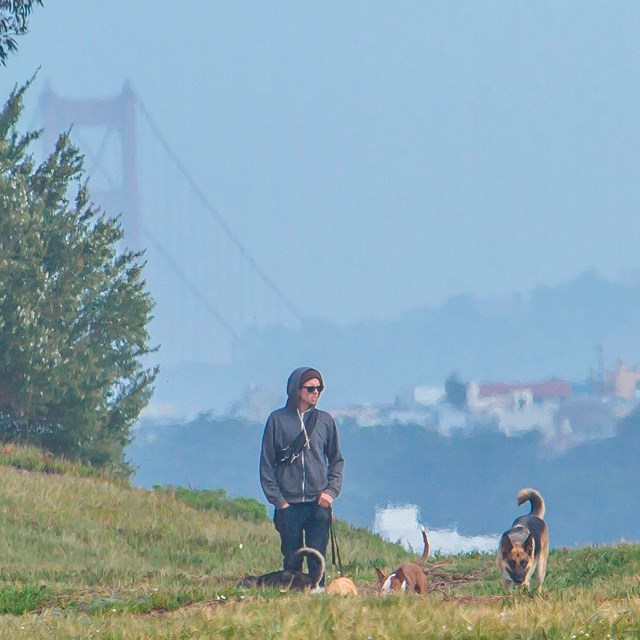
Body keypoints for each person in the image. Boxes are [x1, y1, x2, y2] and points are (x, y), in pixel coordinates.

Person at [259, 366, 344, 586]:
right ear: (297, 390)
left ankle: (317, 596)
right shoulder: (277, 420)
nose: (316, 393)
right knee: (291, 559)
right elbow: (267, 465)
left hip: (318, 503)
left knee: (318, 558)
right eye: (310, 388)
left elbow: (336, 461)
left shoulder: (325, 421)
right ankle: (293, 600)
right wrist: (279, 502)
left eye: (319, 388)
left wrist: (330, 492)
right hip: (289, 505)